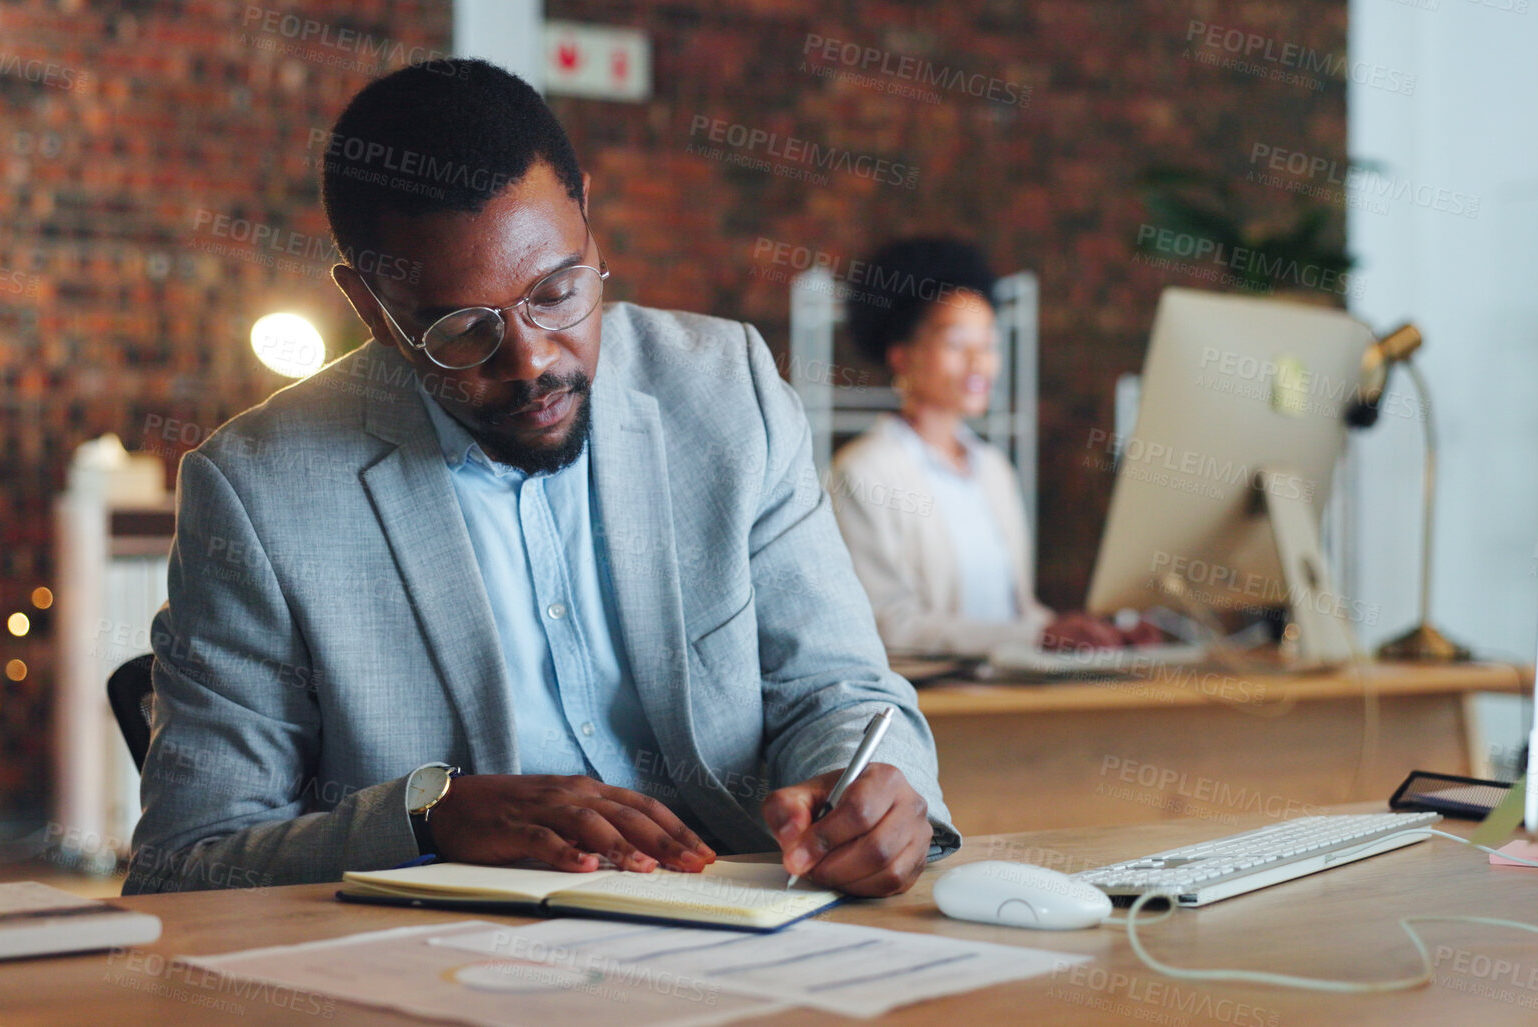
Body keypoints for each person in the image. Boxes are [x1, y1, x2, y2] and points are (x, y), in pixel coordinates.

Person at [124, 60, 956, 898]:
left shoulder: (724, 389)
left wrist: (871, 789)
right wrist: (425, 821)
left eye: (557, 290)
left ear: (586, 212)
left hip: (757, 914)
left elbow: (838, 687)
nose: (532, 360)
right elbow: (187, 859)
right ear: (372, 309)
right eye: (460, 327)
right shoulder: (261, 488)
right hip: (454, 967)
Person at [827, 238, 1148, 657]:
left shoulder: (993, 468)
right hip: (935, 704)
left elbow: (1016, 613)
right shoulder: (864, 472)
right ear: (903, 357)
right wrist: (1038, 636)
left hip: (1010, 695)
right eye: (957, 344)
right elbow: (888, 625)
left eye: (990, 343)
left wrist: (1093, 634)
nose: (980, 363)